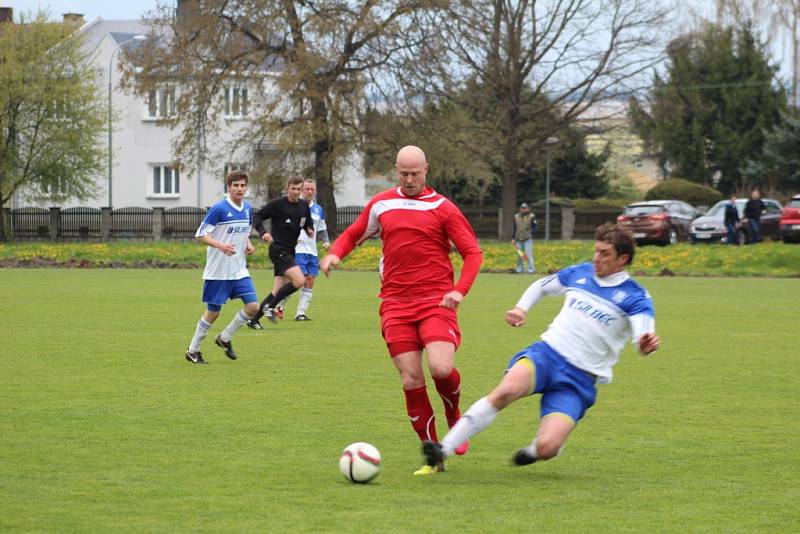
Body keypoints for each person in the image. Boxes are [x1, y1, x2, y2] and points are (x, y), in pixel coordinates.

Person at [422, 223, 661, 471]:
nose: (596, 258)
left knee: (548, 447)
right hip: (547, 355)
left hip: (579, 379)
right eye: (596, 251)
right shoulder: (580, 273)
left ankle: (535, 451)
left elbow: (644, 339)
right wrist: (520, 308)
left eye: (605, 254)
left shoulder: (636, 297)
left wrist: (646, 344)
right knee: (504, 392)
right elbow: (542, 286)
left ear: (623, 259)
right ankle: (443, 449)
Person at [320, 145, 483, 475]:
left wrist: (458, 290)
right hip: (395, 304)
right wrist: (336, 252)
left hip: (436, 302)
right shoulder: (382, 204)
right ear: (397, 170)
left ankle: (455, 415)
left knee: (439, 367)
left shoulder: (443, 207)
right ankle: (433, 453)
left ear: (426, 170)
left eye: (415, 173)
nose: (409, 180)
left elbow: (473, 253)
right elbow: (355, 232)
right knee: (411, 379)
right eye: (403, 173)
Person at [185, 170, 259, 364]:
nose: (240, 189)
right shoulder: (219, 208)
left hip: (239, 270)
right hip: (218, 271)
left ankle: (225, 338)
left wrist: (248, 244)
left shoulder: (247, 208)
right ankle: (193, 350)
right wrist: (220, 245)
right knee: (213, 313)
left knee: (253, 306)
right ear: (229, 187)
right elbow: (201, 234)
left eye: (243, 185)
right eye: (236, 185)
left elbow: (244, 233)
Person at [247, 176, 314, 329]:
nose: (296, 192)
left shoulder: (304, 206)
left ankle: (254, 320)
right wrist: (263, 232)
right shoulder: (278, 205)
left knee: (277, 290)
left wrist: (309, 230)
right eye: (293, 189)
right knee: (299, 281)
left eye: (299, 189)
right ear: (287, 188)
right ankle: (271, 307)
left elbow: (306, 222)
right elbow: (257, 216)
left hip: (290, 251)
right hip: (278, 250)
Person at [280, 178, 330, 321]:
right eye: (306, 189)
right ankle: (278, 305)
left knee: (309, 281)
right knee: (298, 280)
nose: (309, 192)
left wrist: (326, 242)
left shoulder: (318, 209)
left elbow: (321, 229)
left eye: (311, 189)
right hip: (298, 249)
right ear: (301, 190)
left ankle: (300, 313)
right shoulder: (294, 206)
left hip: (312, 251)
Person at [512, 202, 537, 274]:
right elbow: (514, 228)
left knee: (529, 254)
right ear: (520, 209)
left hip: (528, 238)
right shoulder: (516, 216)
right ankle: (519, 270)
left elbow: (535, 227)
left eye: (525, 208)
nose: (523, 210)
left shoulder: (532, 216)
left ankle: (531, 270)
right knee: (520, 255)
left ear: (528, 209)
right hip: (518, 238)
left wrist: (531, 233)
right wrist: (513, 238)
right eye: (522, 208)